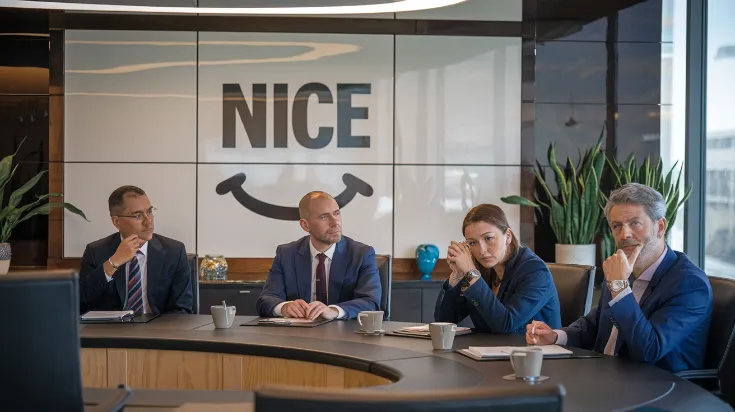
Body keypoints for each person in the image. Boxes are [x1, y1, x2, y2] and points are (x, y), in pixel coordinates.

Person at [527, 183, 713, 373]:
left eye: (635, 223)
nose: (625, 234)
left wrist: (619, 286)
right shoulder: (622, 270)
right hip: (605, 376)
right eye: (617, 226)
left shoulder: (690, 284)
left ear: (660, 227)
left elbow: (649, 350)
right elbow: (597, 324)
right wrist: (556, 336)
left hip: (659, 389)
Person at [435, 204, 561, 333]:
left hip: (531, 351)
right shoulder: (479, 268)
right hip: (486, 350)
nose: (482, 250)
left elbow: (506, 324)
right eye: (473, 243)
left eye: (489, 238)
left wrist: (471, 273)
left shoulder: (535, 271)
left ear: (508, 236)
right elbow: (444, 321)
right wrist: (456, 275)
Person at [256, 191, 381, 320]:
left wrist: (334, 311)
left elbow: (371, 302)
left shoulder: (361, 254)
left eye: (336, 213)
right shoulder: (286, 254)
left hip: (345, 335)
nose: (335, 222)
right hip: (299, 336)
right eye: (324, 217)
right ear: (305, 225)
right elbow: (266, 300)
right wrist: (285, 307)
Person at [79, 185, 193, 314]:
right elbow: (81, 301)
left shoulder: (174, 252)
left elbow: (182, 309)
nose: (148, 221)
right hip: (112, 331)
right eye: (138, 216)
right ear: (117, 222)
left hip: (158, 330)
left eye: (149, 212)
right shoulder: (96, 251)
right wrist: (113, 262)